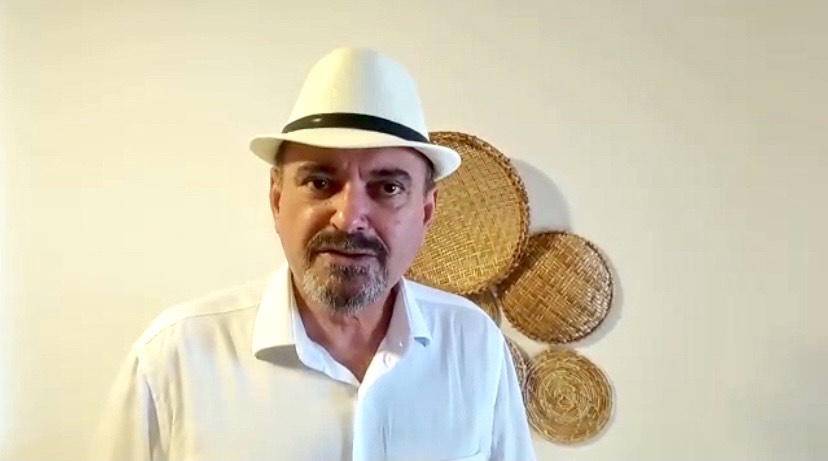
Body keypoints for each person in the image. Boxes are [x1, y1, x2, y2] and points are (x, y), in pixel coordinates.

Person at [90, 47, 537, 461]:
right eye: (320, 182)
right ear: (277, 197)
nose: (349, 218)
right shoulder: (173, 360)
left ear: (425, 211)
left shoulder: (473, 345)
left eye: (388, 188)